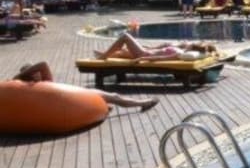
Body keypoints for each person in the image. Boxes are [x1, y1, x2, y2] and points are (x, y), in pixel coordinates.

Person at [15, 62, 158, 111]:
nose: (39, 74)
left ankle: (101, 107)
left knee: (108, 100)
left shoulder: (36, 86)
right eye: (35, 73)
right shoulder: (43, 83)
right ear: (31, 75)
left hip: (71, 97)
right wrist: (18, 77)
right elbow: (43, 63)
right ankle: (144, 103)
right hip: (75, 98)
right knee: (114, 96)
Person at [94, 32, 215, 61]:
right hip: (146, 52)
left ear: (191, 48)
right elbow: (160, 53)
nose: (187, 43)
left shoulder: (179, 53)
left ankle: (103, 56)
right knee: (124, 50)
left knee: (125, 36)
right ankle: (104, 54)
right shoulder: (181, 50)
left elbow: (161, 58)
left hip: (144, 55)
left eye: (190, 44)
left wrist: (143, 58)